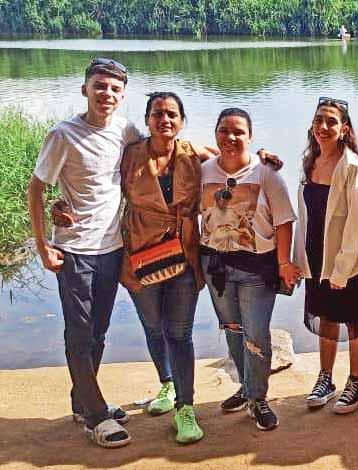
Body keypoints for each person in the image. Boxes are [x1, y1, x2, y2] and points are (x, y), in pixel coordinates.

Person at [27, 58, 141, 448]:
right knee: (79, 333)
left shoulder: (125, 131)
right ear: (85, 89)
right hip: (74, 250)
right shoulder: (63, 134)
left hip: (112, 249)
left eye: (114, 89)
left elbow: (168, 147)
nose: (106, 94)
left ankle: (83, 402)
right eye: (100, 86)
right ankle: (96, 417)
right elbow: (37, 188)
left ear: (122, 95)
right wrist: (42, 245)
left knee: (99, 332)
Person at [200, 108, 300, 431]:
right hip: (216, 267)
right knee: (232, 329)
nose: (231, 137)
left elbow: (284, 221)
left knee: (256, 334)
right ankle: (246, 387)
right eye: (224, 130)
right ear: (215, 133)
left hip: (257, 270)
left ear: (251, 136)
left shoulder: (266, 173)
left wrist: (284, 263)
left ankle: (258, 398)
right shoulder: (203, 171)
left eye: (238, 132)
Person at [119, 92, 208, 444]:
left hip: (184, 256)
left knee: (180, 334)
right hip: (140, 255)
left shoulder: (192, 154)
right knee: (153, 326)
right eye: (158, 113)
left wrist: (264, 157)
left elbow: (235, 162)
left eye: (172, 114)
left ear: (182, 121)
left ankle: (185, 408)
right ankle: (167, 383)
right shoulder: (130, 155)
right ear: (147, 119)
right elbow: (93, 183)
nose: (165, 120)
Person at [294, 97, 358, 414]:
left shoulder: (352, 167)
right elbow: (305, 216)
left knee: (355, 320)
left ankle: (355, 383)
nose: (323, 127)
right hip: (316, 256)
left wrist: (342, 268)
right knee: (326, 317)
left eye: (331, 121)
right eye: (319, 120)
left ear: (344, 129)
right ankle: (325, 379)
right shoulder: (310, 161)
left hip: (346, 261)